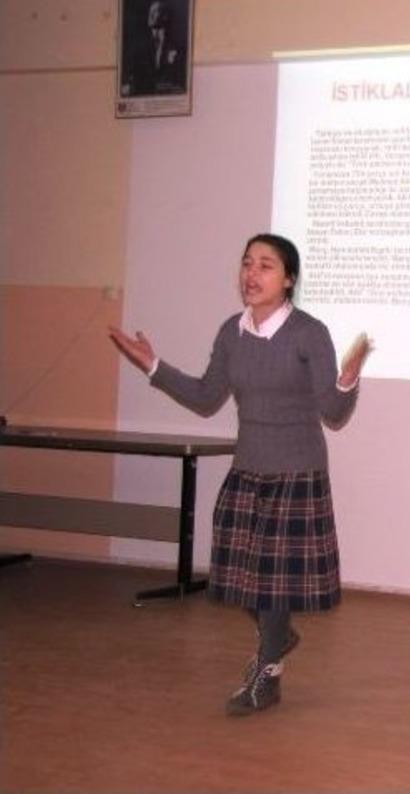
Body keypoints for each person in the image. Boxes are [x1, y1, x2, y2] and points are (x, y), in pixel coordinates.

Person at [108, 233, 371, 716]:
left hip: (296, 471)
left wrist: (349, 379)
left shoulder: (308, 332)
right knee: (237, 578)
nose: (252, 274)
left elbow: (332, 411)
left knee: (272, 583)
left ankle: (267, 674)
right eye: (247, 263)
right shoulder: (233, 331)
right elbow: (208, 396)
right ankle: (280, 634)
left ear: (288, 279)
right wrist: (155, 367)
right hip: (248, 467)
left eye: (266, 266)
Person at [120, 0, 187, 97]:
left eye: (155, 11)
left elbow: (180, 79)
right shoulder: (138, 46)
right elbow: (130, 75)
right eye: (150, 11)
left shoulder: (177, 45)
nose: (150, 14)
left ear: (165, 16)